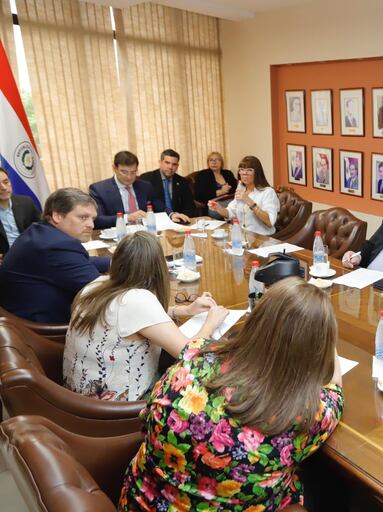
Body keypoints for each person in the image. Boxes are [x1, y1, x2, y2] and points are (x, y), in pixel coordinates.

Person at [119, 277, 344, 510]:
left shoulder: (194, 356)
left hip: (140, 502)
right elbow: (335, 387)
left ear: (255, 321)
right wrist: (326, 343)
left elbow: (146, 421)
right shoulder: (306, 413)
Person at [63, 231, 228, 401]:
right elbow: (191, 354)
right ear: (159, 268)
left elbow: (128, 319)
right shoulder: (137, 300)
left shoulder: (95, 285)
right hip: (120, 410)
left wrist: (184, 310)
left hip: (76, 399)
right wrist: (211, 322)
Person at [0, 188, 110, 323]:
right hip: (45, 329)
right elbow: (101, 290)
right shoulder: (57, 245)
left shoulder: (43, 233)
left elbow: (79, 262)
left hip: (23, 316)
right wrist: (133, 273)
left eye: (92, 218)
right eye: (83, 217)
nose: (91, 225)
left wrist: (115, 261)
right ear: (57, 216)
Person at [89, 151, 165, 229]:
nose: (129, 177)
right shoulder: (99, 189)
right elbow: (97, 220)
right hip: (118, 235)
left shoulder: (145, 186)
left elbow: (159, 206)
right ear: (114, 168)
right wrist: (126, 218)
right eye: (124, 172)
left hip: (144, 233)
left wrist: (171, 214)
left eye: (133, 172)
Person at [208, 156, 280, 236]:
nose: (244, 173)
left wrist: (249, 202)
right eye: (241, 170)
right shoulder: (241, 189)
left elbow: (270, 221)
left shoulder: (268, 192)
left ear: (257, 172)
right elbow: (230, 212)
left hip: (263, 238)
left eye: (249, 170)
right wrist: (218, 208)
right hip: (243, 236)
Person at [140, 149, 197, 220]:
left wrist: (183, 218)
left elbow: (189, 205)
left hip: (178, 220)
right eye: (167, 163)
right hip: (156, 220)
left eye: (174, 164)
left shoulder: (182, 181)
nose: (170, 167)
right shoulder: (147, 179)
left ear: (177, 166)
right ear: (160, 162)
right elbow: (144, 204)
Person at [0, 167, 40, 256]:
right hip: (6, 261)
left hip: (32, 253)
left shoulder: (26, 202)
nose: (3, 188)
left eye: (6, 182)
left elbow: (42, 228)